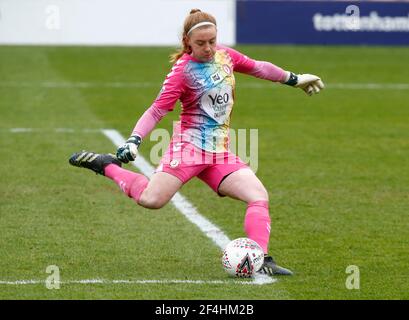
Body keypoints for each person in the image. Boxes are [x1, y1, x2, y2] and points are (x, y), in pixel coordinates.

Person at [69, 9, 324, 276]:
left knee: (258, 196)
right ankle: (107, 165)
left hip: (218, 152)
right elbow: (157, 110)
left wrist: (294, 79)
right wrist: (134, 140)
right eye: (201, 43)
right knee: (151, 200)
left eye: (212, 41)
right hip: (188, 149)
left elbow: (258, 67)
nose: (209, 48)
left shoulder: (225, 55)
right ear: (187, 42)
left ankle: (261, 259)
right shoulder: (182, 72)